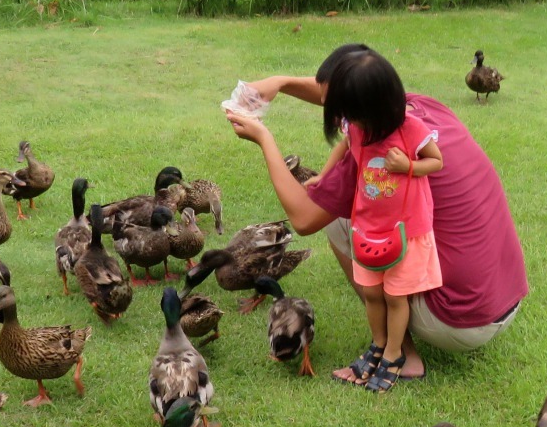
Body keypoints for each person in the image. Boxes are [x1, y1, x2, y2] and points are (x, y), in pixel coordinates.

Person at [226, 43, 528, 383]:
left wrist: (264, 139)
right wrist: (280, 82)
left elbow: (304, 219)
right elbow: (345, 92)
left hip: (457, 318)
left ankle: (400, 354)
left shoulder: (373, 151)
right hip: (503, 300)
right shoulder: (417, 108)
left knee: (342, 221)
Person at [316, 50, 443, 392]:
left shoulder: (410, 129)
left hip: (407, 231)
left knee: (395, 298)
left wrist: (409, 168)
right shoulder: (357, 127)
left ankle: (393, 354)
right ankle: (377, 342)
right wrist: (323, 178)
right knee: (371, 293)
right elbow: (343, 146)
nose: (352, 122)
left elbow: (437, 161)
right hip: (367, 228)